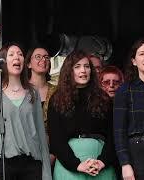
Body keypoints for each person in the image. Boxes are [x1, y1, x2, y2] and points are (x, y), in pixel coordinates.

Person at [0, 42, 52, 180]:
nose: (17, 57)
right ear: (2, 61)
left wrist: (47, 174)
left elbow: (41, 135)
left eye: (20, 54)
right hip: (4, 164)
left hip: (32, 164)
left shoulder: (33, 92)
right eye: (11, 54)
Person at [47, 51, 117, 179]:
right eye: (77, 66)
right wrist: (77, 165)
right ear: (69, 71)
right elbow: (56, 140)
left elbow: (113, 134)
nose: (83, 70)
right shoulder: (57, 99)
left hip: (101, 166)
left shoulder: (103, 98)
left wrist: (102, 162)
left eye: (87, 66)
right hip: (70, 168)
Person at [113, 39, 144, 180]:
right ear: (134, 61)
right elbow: (119, 131)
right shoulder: (125, 90)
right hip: (136, 156)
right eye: (142, 54)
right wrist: (125, 164)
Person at [25, 45, 56, 164]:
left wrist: (54, 154)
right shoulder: (20, 90)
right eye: (38, 57)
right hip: (25, 154)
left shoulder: (58, 91)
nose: (43, 60)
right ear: (28, 64)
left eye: (46, 57)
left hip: (52, 154)